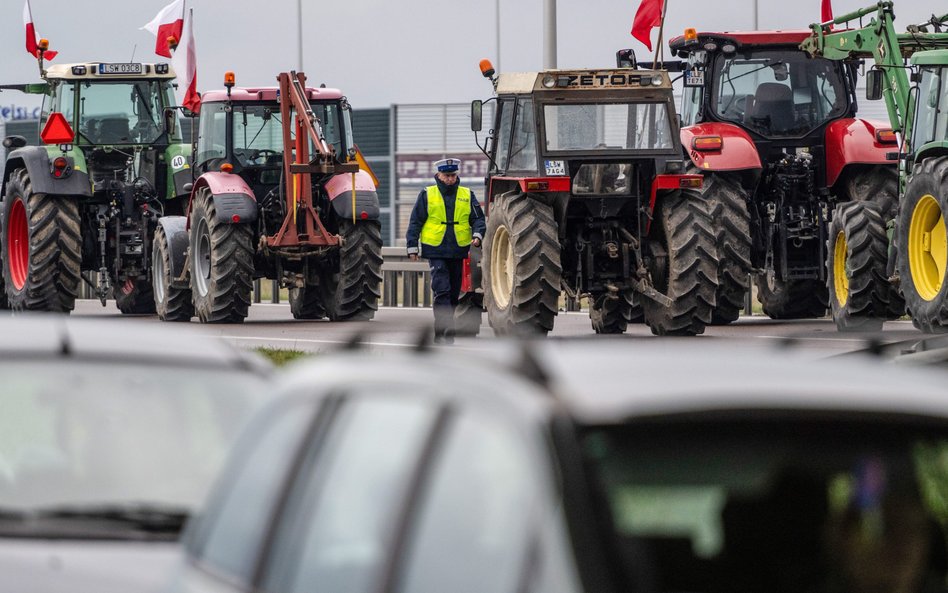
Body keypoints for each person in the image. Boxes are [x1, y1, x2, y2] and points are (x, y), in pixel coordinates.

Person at [406, 158, 486, 344]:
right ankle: (443, 332)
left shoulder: (467, 194)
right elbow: (415, 222)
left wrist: (477, 235)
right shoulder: (427, 194)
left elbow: (478, 219)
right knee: (442, 291)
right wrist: (412, 247)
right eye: (446, 176)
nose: (450, 179)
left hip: (458, 250)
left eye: (453, 175)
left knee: (453, 294)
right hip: (436, 249)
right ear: (438, 175)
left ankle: (447, 329)